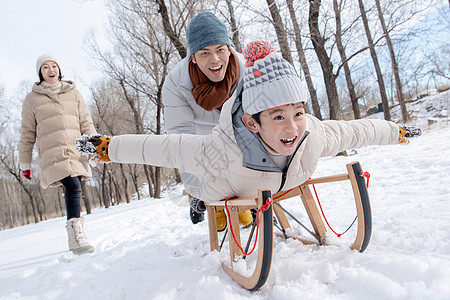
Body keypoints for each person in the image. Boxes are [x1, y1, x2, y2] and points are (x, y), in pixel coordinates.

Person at [77, 41, 420, 229]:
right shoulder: (222, 148)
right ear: (254, 123)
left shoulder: (311, 135)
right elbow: (165, 147)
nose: (292, 127)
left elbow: (357, 130)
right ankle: (201, 202)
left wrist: (398, 131)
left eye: (298, 114)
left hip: (270, 184)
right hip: (222, 182)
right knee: (201, 185)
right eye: (279, 117)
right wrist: (107, 147)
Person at [162, 11, 246, 225]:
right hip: (201, 141)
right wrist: (198, 191)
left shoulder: (247, 71)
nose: (215, 59)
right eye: (204, 53)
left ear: (229, 49)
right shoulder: (175, 84)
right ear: (193, 57)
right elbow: (180, 141)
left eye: (220, 50)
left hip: (239, 132)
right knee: (211, 186)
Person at [19, 54, 96, 255]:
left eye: (53, 65)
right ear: (40, 73)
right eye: (45, 67)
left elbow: (86, 122)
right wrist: (24, 162)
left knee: (75, 187)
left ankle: (76, 235)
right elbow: (27, 133)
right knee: (73, 185)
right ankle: (76, 237)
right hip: (52, 154)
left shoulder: (74, 93)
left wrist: (97, 146)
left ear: (59, 70)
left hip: (75, 151)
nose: (50, 69)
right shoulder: (32, 99)